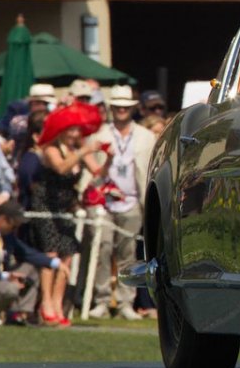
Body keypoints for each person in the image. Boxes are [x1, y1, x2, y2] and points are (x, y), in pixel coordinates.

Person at [29, 105, 110, 325]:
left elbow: (98, 173)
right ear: (62, 130)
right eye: (71, 130)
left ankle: (58, 304)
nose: (76, 134)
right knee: (51, 255)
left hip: (65, 208)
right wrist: (83, 152)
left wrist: (107, 157)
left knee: (67, 254)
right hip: (46, 207)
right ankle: (46, 304)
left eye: (78, 130)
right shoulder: (51, 149)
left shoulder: (78, 150)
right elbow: (62, 168)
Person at [87, 86, 156, 320]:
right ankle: (101, 300)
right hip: (104, 202)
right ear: (111, 107)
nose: (121, 111)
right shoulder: (100, 134)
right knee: (103, 249)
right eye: (117, 106)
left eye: (125, 107)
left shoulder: (145, 136)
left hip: (132, 202)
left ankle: (126, 302)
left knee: (128, 254)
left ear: (132, 108)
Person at [0, 201, 64, 326]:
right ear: (3, 219)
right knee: (10, 288)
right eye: (14, 225)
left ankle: (20, 314)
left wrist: (56, 263)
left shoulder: (7, 236)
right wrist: (6, 276)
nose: (15, 229)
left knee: (31, 268)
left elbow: (27, 254)